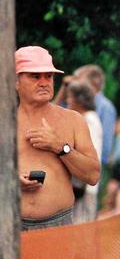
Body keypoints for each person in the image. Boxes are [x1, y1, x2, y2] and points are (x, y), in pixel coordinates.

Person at [16, 46, 100, 230]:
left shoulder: (73, 120)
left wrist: (60, 147)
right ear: (15, 82)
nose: (44, 82)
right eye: (35, 76)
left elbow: (93, 175)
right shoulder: (5, 122)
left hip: (57, 226)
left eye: (49, 76)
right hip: (10, 223)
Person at [66, 80, 103, 223]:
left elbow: (90, 155)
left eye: (70, 97)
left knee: (81, 228)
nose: (68, 101)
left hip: (85, 187)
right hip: (81, 186)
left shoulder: (89, 120)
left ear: (79, 100)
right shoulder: (87, 118)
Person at [74, 65, 117, 170]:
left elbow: (106, 145)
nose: (76, 85)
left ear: (93, 84)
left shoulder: (106, 107)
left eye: (80, 81)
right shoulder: (77, 103)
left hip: (94, 168)